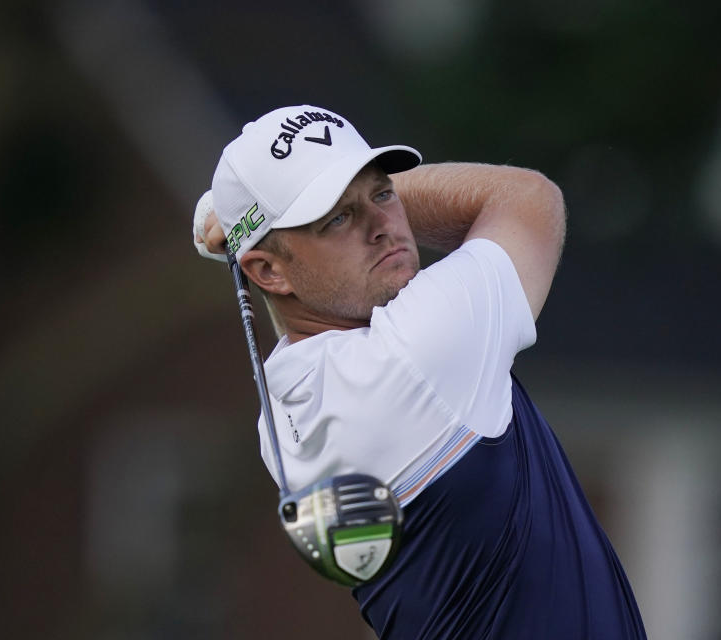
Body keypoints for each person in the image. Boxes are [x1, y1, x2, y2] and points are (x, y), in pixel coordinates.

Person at [193, 104, 647, 639]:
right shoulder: (416, 354)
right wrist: (246, 218)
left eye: (382, 193)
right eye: (338, 218)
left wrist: (261, 221)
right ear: (267, 272)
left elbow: (297, 282)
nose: (383, 227)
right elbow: (528, 200)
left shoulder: (282, 414)